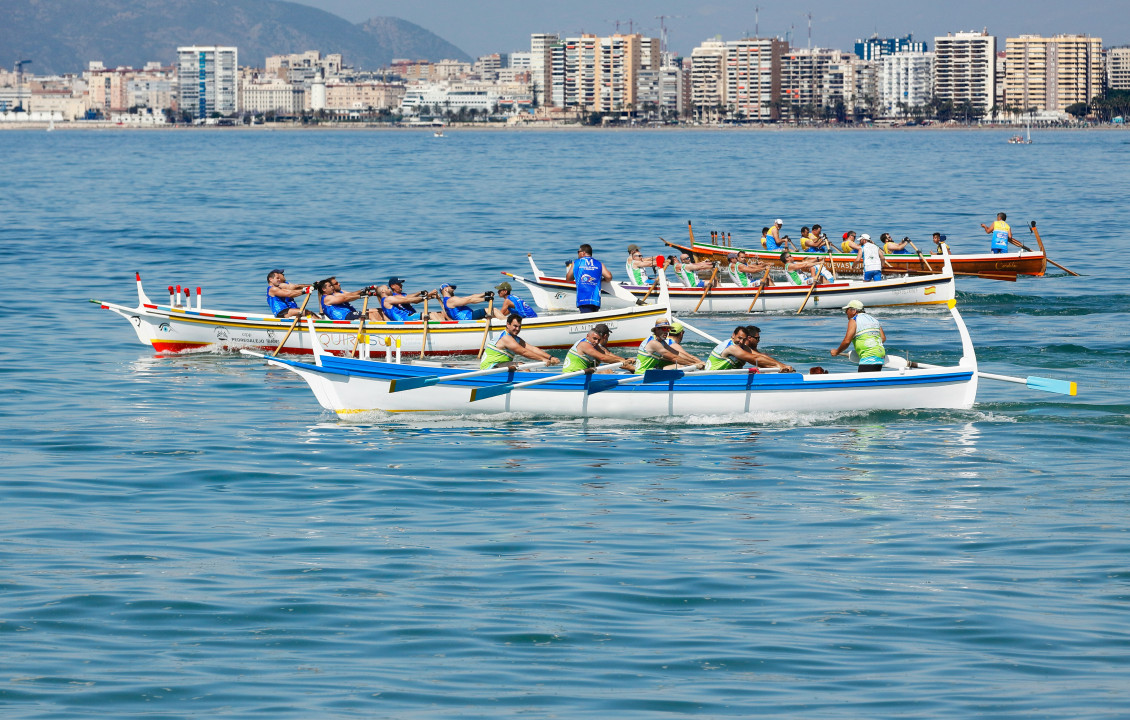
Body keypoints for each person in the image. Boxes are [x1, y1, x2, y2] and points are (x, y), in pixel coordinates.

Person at [479, 313, 561, 369]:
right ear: (508, 324)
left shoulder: (515, 338)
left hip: (500, 365)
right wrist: (542, 359)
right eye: (515, 326)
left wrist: (550, 357)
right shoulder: (506, 338)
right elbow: (523, 352)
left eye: (519, 327)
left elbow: (532, 349)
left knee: (519, 367)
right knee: (522, 367)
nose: (517, 329)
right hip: (489, 367)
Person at [707, 326, 795, 373]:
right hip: (710, 378)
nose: (741, 342)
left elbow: (759, 356)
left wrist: (782, 365)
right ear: (733, 335)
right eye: (739, 338)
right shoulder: (732, 348)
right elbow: (754, 359)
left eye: (744, 339)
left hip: (725, 377)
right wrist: (778, 366)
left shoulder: (742, 347)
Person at [830, 299, 886, 372]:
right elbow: (883, 338)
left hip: (869, 357)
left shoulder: (854, 320)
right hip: (880, 355)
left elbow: (847, 341)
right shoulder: (874, 320)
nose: (846, 312)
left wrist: (837, 352)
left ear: (854, 311)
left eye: (847, 310)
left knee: (864, 382)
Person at [635, 319, 704, 374]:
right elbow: (674, 358)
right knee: (681, 366)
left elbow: (677, 353)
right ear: (656, 330)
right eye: (664, 329)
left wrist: (697, 362)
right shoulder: (653, 343)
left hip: (651, 372)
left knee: (682, 366)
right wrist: (693, 365)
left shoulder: (662, 342)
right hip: (642, 374)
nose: (666, 332)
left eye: (668, 329)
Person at [562, 323, 636, 373]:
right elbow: (603, 358)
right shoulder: (584, 344)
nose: (596, 341)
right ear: (587, 336)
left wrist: (625, 360)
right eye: (594, 338)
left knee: (607, 370)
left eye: (598, 339)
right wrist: (627, 364)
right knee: (606, 371)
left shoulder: (595, 345)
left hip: (583, 374)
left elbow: (608, 356)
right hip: (571, 375)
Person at [565, 243, 611, 313]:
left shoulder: (576, 263)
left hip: (583, 299)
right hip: (596, 300)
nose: (577, 254)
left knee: (587, 320)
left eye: (578, 252)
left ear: (583, 253)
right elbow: (609, 276)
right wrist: (602, 280)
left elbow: (568, 279)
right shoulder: (599, 264)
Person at [316, 277, 384, 322]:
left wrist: (364, 291)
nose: (332, 287)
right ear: (324, 289)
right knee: (370, 315)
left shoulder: (333, 295)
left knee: (378, 311)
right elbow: (345, 298)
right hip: (344, 318)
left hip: (349, 314)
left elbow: (351, 294)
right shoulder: (327, 298)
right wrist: (361, 296)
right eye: (330, 286)